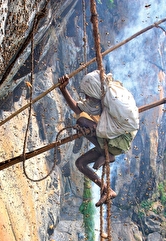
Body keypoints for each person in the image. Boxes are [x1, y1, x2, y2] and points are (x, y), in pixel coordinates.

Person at [58, 70, 135, 206]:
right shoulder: (99, 100)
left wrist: (97, 127)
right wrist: (63, 90)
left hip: (119, 141)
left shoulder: (114, 98)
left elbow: (129, 123)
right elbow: (78, 109)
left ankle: (108, 155)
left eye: (89, 95)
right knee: (80, 163)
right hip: (108, 141)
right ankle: (107, 189)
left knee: (82, 121)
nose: (87, 98)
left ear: (95, 91)